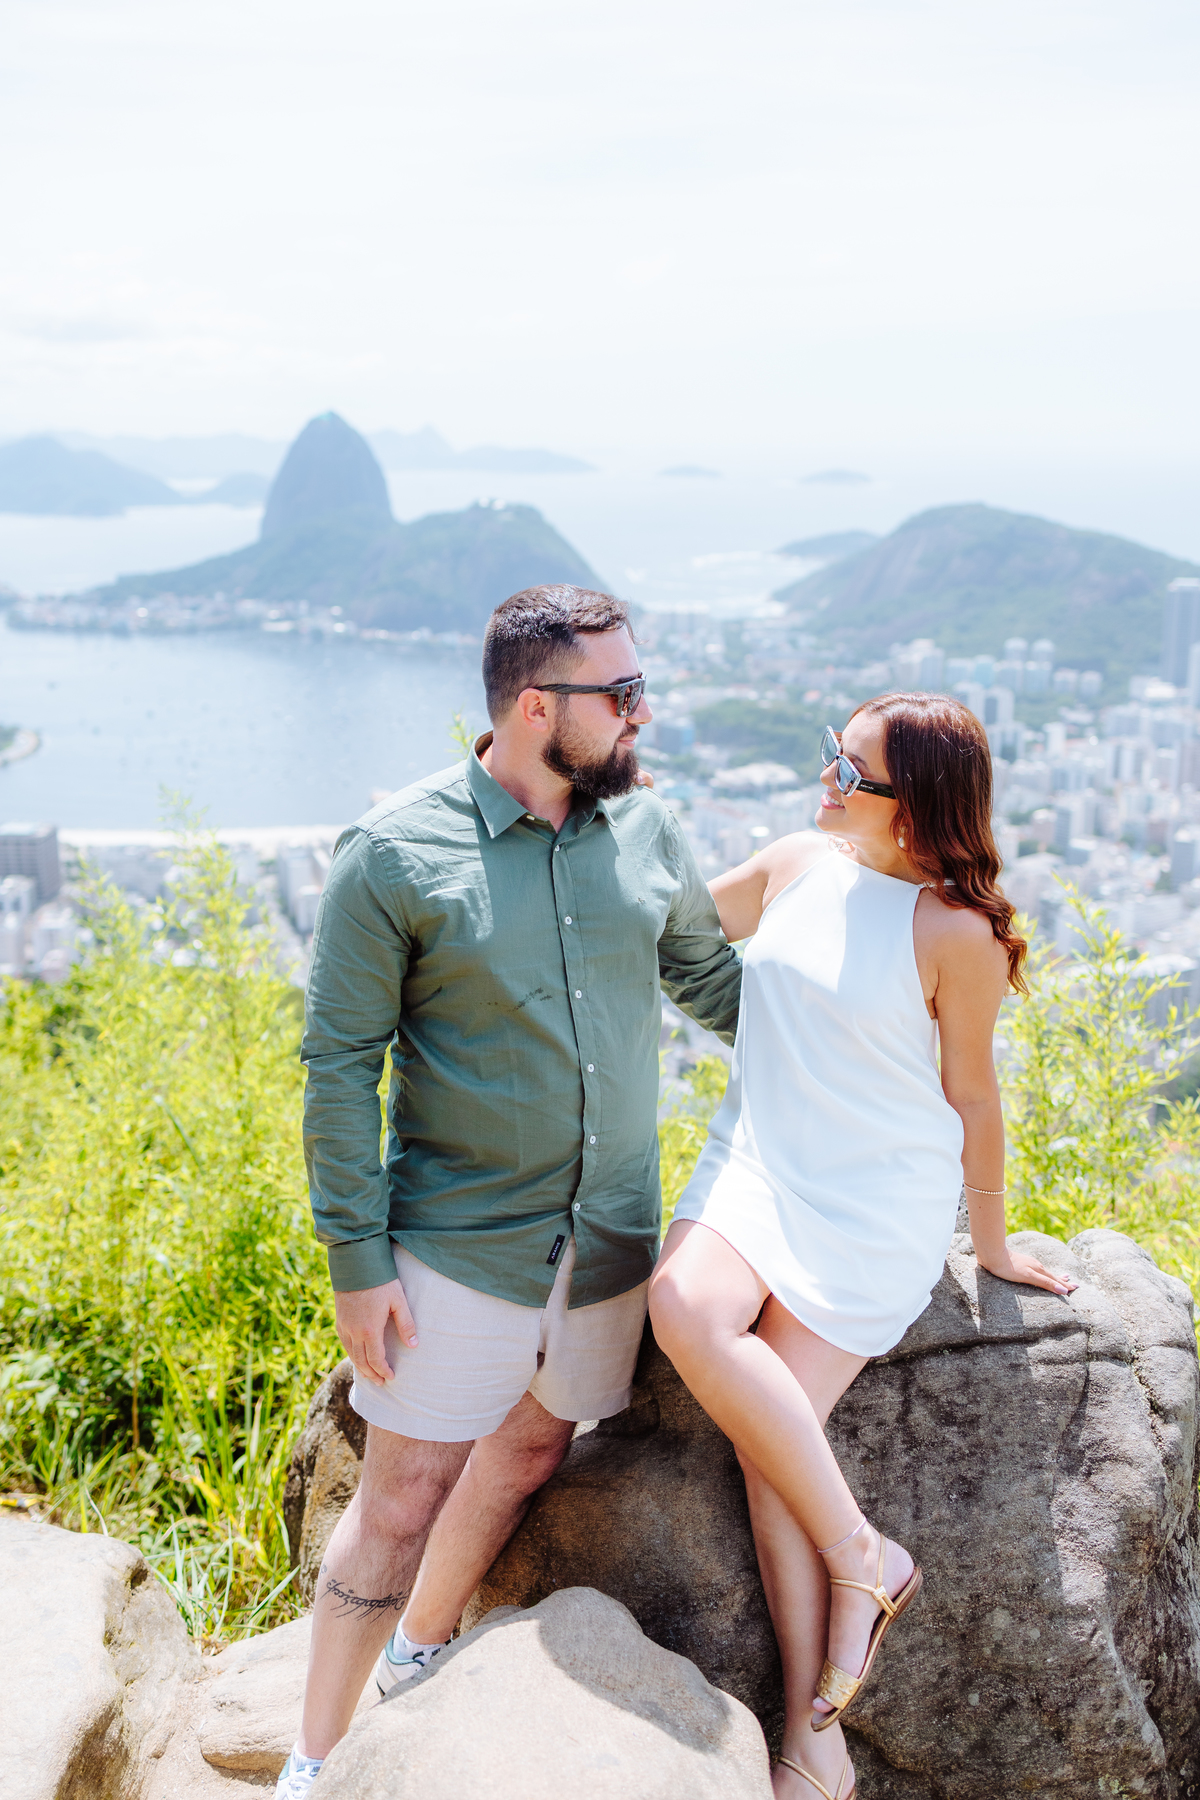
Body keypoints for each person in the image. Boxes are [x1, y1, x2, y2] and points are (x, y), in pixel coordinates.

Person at [277, 584, 742, 1797]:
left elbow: (716, 985)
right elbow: (338, 1068)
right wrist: (356, 1261)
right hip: (457, 1248)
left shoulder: (646, 830)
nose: (644, 713)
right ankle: (314, 1760)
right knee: (397, 1502)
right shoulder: (396, 849)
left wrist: (899, 1061)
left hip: (610, 1246)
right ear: (539, 706)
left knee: (531, 1448)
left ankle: (420, 1653)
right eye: (622, 694)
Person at [648, 692, 1078, 1800]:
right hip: (754, 1160)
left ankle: (810, 1740)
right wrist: (631, 827)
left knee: (766, 1443)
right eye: (831, 757)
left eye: (851, 770)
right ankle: (863, 1560)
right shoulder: (797, 859)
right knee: (684, 1307)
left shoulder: (955, 932)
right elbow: (678, 918)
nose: (826, 779)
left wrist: (988, 1245)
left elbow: (973, 1100)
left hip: (872, 1203)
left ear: (915, 806)